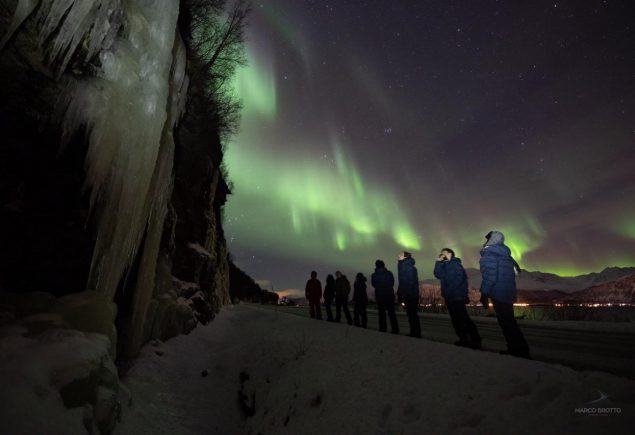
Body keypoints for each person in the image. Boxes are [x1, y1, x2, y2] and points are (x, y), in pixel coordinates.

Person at [479, 231, 531, 359]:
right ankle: (520, 348)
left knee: (506, 323)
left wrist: (484, 294)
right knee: (510, 322)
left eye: (488, 238)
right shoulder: (506, 256)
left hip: (498, 293)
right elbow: (516, 272)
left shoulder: (489, 254)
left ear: (492, 240)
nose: (485, 241)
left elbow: (489, 277)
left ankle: (517, 350)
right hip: (508, 293)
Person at [434, 248, 482, 349]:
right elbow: (437, 274)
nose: (442, 254)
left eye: (444, 253)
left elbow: (459, 279)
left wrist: (449, 290)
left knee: (463, 318)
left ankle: (475, 339)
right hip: (450, 296)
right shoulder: (444, 266)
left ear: (450, 254)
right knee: (455, 319)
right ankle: (463, 339)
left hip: (457, 296)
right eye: (441, 253)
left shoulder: (456, 264)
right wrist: (438, 262)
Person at [371, 260, 399, 334]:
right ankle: (395, 329)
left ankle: (383, 329)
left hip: (380, 296)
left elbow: (374, 284)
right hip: (389, 295)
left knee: (381, 314)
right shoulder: (389, 273)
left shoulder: (374, 275)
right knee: (392, 314)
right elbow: (392, 283)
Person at [397, 252, 421, 338]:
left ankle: (416, 333)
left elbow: (410, 282)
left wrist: (407, 294)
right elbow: (402, 282)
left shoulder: (408, 267)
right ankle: (414, 332)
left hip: (411, 295)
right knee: (411, 315)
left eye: (400, 254)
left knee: (412, 315)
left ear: (405, 257)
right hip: (408, 294)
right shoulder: (403, 266)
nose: (398, 255)